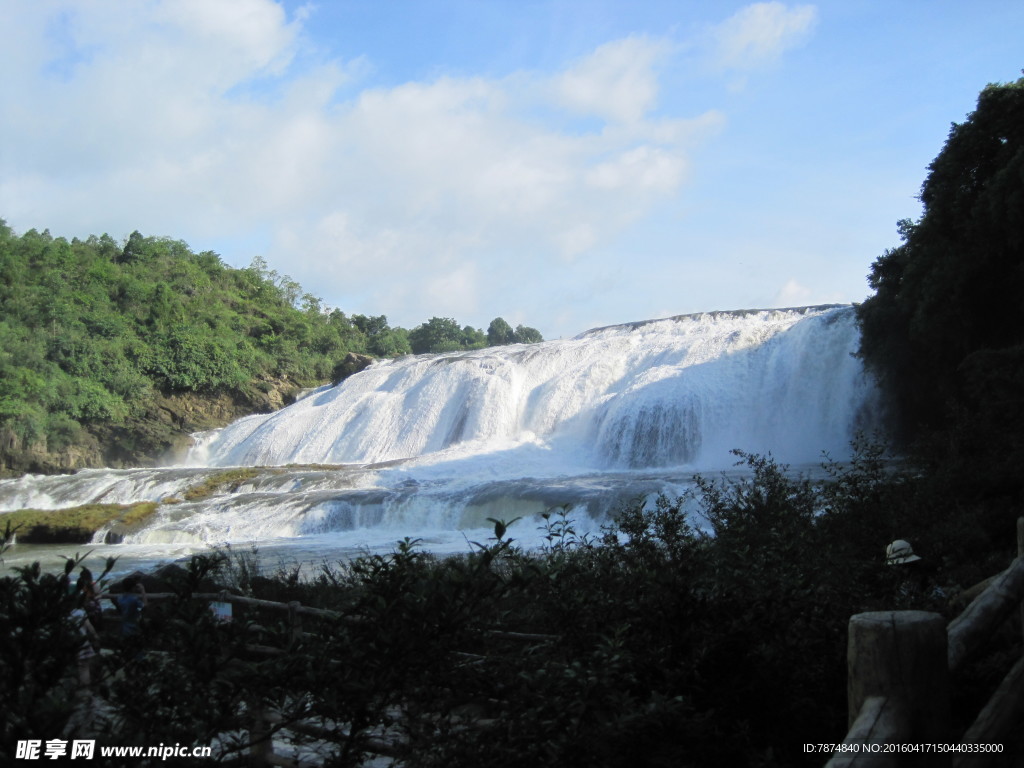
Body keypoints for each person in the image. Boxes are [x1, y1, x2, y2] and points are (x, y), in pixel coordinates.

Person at [113, 575, 147, 659]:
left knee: (128, 647)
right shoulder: (134, 599)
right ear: (133, 588)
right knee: (137, 648)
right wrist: (143, 591)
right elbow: (145, 606)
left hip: (124, 626)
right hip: (134, 626)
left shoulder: (119, 598)